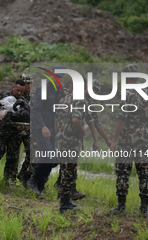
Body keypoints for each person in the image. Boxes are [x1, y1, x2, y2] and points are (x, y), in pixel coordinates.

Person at [109, 64, 148, 218]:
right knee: (144, 172)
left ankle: (121, 207)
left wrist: (114, 140)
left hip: (127, 139)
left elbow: (122, 119)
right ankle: (144, 209)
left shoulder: (127, 94)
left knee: (123, 171)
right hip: (144, 137)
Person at [56, 77, 99, 212]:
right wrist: (82, 132)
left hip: (61, 139)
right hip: (71, 140)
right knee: (70, 171)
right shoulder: (80, 100)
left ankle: (65, 199)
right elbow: (76, 120)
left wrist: (58, 133)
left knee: (64, 170)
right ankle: (65, 204)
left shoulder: (65, 98)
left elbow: (56, 119)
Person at [27, 65, 66, 198]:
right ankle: (32, 180)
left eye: (60, 77)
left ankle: (40, 185)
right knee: (48, 154)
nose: (57, 79)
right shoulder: (43, 89)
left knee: (52, 157)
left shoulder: (61, 91)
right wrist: (43, 127)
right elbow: (36, 110)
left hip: (53, 127)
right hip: (41, 126)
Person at [0, 79, 28, 185]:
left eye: (21, 91)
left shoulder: (23, 101)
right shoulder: (3, 96)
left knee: (13, 157)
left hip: (15, 132)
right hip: (2, 130)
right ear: (13, 87)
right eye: (17, 90)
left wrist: (22, 127)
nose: (19, 93)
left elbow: (25, 118)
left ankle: (7, 180)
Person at [17, 74, 34, 188]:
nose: (29, 85)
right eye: (26, 83)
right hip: (18, 130)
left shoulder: (34, 96)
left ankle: (23, 174)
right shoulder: (17, 96)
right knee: (12, 155)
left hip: (30, 130)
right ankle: (9, 178)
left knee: (31, 153)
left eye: (30, 83)